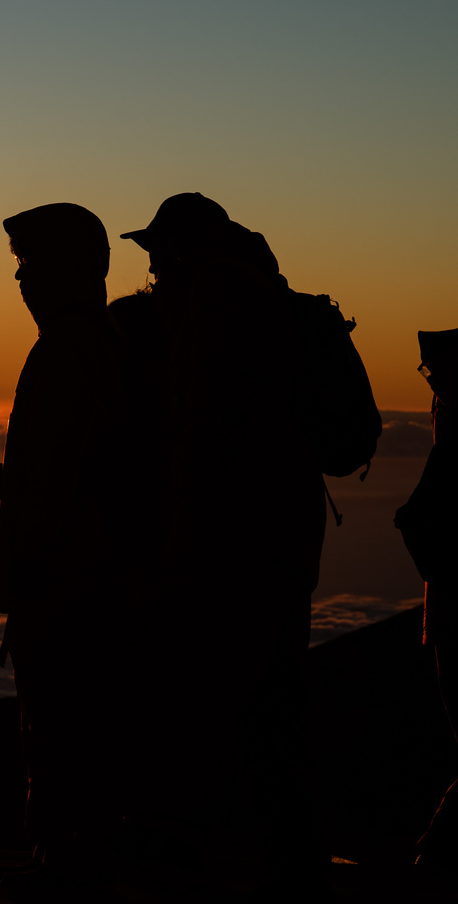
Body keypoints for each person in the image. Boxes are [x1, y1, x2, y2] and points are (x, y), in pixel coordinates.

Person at [119, 192, 326, 897]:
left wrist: (175, 550)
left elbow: (206, 430)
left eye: (156, 252)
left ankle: (173, 870)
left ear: (181, 249)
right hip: (282, 543)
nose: (149, 268)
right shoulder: (261, 295)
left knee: (188, 719)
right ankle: (294, 870)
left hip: (230, 549)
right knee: (272, 719)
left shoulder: (218, 299)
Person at [0, 203, 136, 887]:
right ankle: (72, 857)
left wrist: (28, 555)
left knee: (63, 729)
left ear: (70, 267)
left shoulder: (69, 348)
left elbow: (55, 473)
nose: (21, 280)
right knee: (77, 732)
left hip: (67, 582)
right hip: (87, 575)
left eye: (29, 263)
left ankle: (68, 867)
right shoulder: (100, 341)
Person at [397, 327, 458, 880]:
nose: (432, 383)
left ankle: (435, 856)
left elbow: (416, 519)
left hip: (449, 609)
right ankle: (436, 855)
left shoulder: (452, 444)